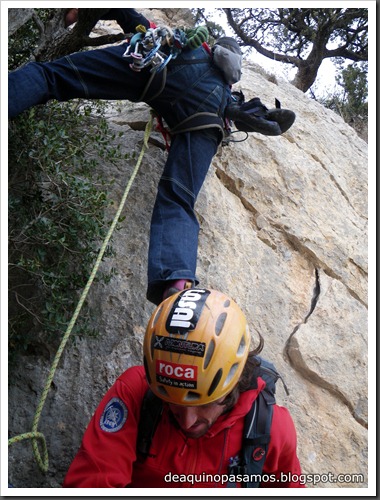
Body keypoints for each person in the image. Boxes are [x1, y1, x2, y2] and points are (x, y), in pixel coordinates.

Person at [8, 8, 295, 306]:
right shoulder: (226, 90)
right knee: (178, 200)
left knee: (50, 76)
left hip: (168, 65)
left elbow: (130, 18)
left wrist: (76, 14)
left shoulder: (195, 46)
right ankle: (177, 283)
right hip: (209, 119)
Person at [62, 288, 304, 488]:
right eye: (174, 403)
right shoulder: (135, 394)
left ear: (234, 384)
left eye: (204, 403)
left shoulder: (268, 427)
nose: (187, 421)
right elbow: (93, 480)